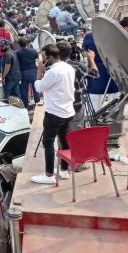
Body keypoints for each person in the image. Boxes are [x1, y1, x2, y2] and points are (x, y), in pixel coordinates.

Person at [32, 44, 75, 185]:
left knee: (48, 142)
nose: (42, 60)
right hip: (68, 111)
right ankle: (63, 170)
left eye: (43, 57)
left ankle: (49, 175)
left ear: (49, 57)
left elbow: (39, 88)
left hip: (55, 113)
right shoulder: (68, 67)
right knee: (64, 141)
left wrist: (39, 71)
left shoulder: (53, 72)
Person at [15, 37, 39, 107]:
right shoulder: (34, 51)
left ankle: (25, 105)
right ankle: (37, 103)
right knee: (35, 88)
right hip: (33, 71)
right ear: (27, 43)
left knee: (24, 90)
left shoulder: (17, 52)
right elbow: (37, 61)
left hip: (23, 72)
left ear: (19, 44)